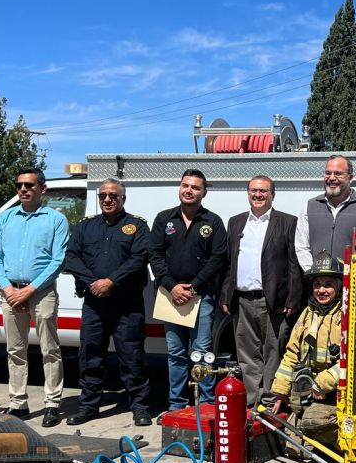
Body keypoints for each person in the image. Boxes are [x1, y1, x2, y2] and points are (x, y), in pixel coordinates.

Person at [64, 178, 152, 427]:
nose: (107, 199)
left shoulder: (137, 226)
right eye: (103, 195)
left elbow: (139, 259)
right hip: (94, 303)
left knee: (132, 357)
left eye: (113, 195)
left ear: (123, 198)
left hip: (127, 304)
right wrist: (94, 283)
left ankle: (140, 407)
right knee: (90, 356)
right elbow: (71, 257)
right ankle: (89, 406)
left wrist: (111, 281)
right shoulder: (86, 227)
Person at [270, 249, 356, 447]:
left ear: (339, 287)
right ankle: (319, 434)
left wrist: (322, 383)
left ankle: (354, 434)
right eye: (317, 285)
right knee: (291, 442)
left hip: (347, 390)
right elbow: (291, 354)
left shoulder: (351, 317)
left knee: (314, 422)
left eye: (328, 285)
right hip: (314, 389)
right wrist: (280, 391)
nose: (321, 290)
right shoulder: (308, 315)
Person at [0, 167, 69, 428]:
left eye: (29, 185)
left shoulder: (56, 220)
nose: (23, 189)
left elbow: (57, 260)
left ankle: (52, 403)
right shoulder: (4, 219)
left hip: (42, 292)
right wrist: (8, 289)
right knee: (15, 349)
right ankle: (18, 403)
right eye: (19, 185)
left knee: (49, 349)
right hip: (10, 292)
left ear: (42, 189)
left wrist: (30, 289)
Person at [149, 169, 229, 421]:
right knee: (175, 353)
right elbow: (155, 256)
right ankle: (177, 405)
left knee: (202, 352)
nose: (189, 190)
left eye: (195, 187)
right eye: (185, 185)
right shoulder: (164, 219)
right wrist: (172, 286)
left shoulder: (213, 222)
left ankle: (206, 404)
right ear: (179, 188)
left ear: (204, 192)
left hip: (201, 296)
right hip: (170, 296)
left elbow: (218, 259)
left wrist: (193, 287)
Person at [219, 176, 302, 406]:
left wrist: (293, 298)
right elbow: (229, 262)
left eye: (263, 191)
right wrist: (226, 294)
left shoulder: (287, 222)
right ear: (248, 193)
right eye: (253, 190)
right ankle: (251, 401)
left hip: (273, 300)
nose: (258, 195)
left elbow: (294, 264)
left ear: (272, 194)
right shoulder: (236, 222)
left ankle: (270, 401)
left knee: (273, 351)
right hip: (242, 299)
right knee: (247, 353)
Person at [294, 154, 356, 307]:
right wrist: (317, 278)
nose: (332, 178)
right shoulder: (309, 206)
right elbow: (301, 247)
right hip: (316, 292)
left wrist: (346, 281)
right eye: (328, 173)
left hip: (351, 291)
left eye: (338, 173)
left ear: (350, 178)